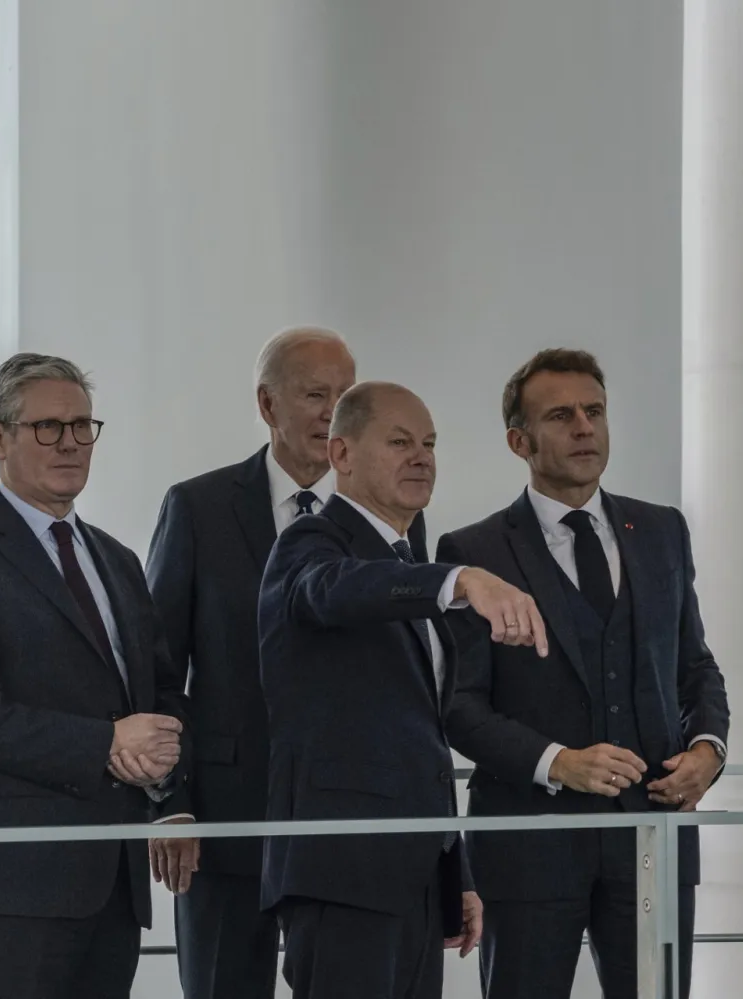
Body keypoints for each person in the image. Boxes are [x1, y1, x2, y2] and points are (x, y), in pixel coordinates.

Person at [437, 349, 730, 998]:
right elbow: (460, 706)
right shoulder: (473, 552)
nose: (583, 426)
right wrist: (557, 760)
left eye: (594, 411)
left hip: (651, 833)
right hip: (528, 840)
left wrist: (708, 749)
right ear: (519, 439)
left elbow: (695, 666)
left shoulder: (661, 530)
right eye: (561, 414)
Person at [146, 326, 428, 999]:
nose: (333, 410)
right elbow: (158, 664)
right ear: (268, 406)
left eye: (345, 394)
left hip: (345, 830)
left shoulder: (392, 515)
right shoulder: (198, 507)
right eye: (314, 394)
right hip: (226, 817)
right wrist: (172, 803)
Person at [0, 352, 192, 999]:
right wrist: (105, 744)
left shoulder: (115, 560)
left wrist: (171, 790)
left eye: (82, 426)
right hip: (10, 881)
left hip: (112, 879)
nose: (69, 443)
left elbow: (160, 693)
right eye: (48, 427)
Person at [258, 381, 544, 999]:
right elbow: (330, 590)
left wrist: (455, 867)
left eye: (430, 444)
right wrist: (460, 577)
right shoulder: (310, 543)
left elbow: (419, 738)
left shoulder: (406, 561)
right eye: (398, 442)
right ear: (340, 455)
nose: (421, 457)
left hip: (414, 880)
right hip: (342, 875)